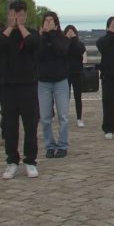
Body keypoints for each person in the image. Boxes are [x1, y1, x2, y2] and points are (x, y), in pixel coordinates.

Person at [0, 0, 40, 179]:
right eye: (13, 14)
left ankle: (30, 161)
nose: (16, 18)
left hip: (28, 86)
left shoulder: (31, 33)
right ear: (8, 14)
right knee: (9, 127)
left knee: (30, 125)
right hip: (8, 87)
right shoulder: (3, 34)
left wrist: (21, 27)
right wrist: (10, 27)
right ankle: (12, 162)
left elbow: (33, 44)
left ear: (25, 15)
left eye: (20, 14)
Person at [38, 12, 71, 159]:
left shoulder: (62, 38)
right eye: (46, 20)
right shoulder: (39, 39)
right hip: (43, 82)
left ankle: (63, 145)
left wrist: (52, 34)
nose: (49, 23)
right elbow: (39, 54)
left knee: (63, 115)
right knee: (45, 117)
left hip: (60, 81)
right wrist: (44, 36)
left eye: (51, 20)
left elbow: (61, 51)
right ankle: (50, 146)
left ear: (56, 23)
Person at [64, 25, 86, 128]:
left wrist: (73, 38)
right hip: (65, 73)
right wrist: (67, 39)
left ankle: (79, 118)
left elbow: (80, 50)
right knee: (65, 97)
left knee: (78, 96)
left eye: (72, 32)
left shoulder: (79, 44)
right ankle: (64, 117)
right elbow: (63, 50)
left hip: (77, 72)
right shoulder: (64, 43)